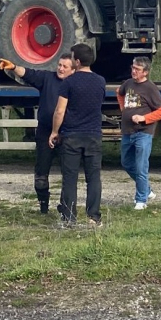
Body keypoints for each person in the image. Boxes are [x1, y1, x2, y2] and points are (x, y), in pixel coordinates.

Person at [0, 53, 75, 214]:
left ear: (73, 70)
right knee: (40, 174)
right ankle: (43, 207)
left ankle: (65, 207)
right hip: (45, 131)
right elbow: (29, 74)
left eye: (64, 66)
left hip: (68, 132)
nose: (60, 68)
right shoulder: (47, 78)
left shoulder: (76, 83)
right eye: (59, 65)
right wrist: (13, 67)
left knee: (68, 174)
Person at [49, 43, 107, 226]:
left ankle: (69, 217)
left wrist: (54, 132)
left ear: (78, 61)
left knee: (70, 178)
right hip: (93, 134)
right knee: (93, 178)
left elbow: (60, 110)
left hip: (72, 135)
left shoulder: (69, 82)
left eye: (73, 57)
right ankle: (93, 216)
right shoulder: (100, 81)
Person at [116, 56, 161, 210]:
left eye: (137, 69)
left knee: (141, 166)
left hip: (143, 133)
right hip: (127, 132)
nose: (133, 71)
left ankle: (141, 200)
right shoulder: (128, 83)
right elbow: (119, 92)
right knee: (126, 163)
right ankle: (147, 190)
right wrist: (124, 109)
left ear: (145, 72)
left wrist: (144, 118)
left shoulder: (150, 88)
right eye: (133, 68)